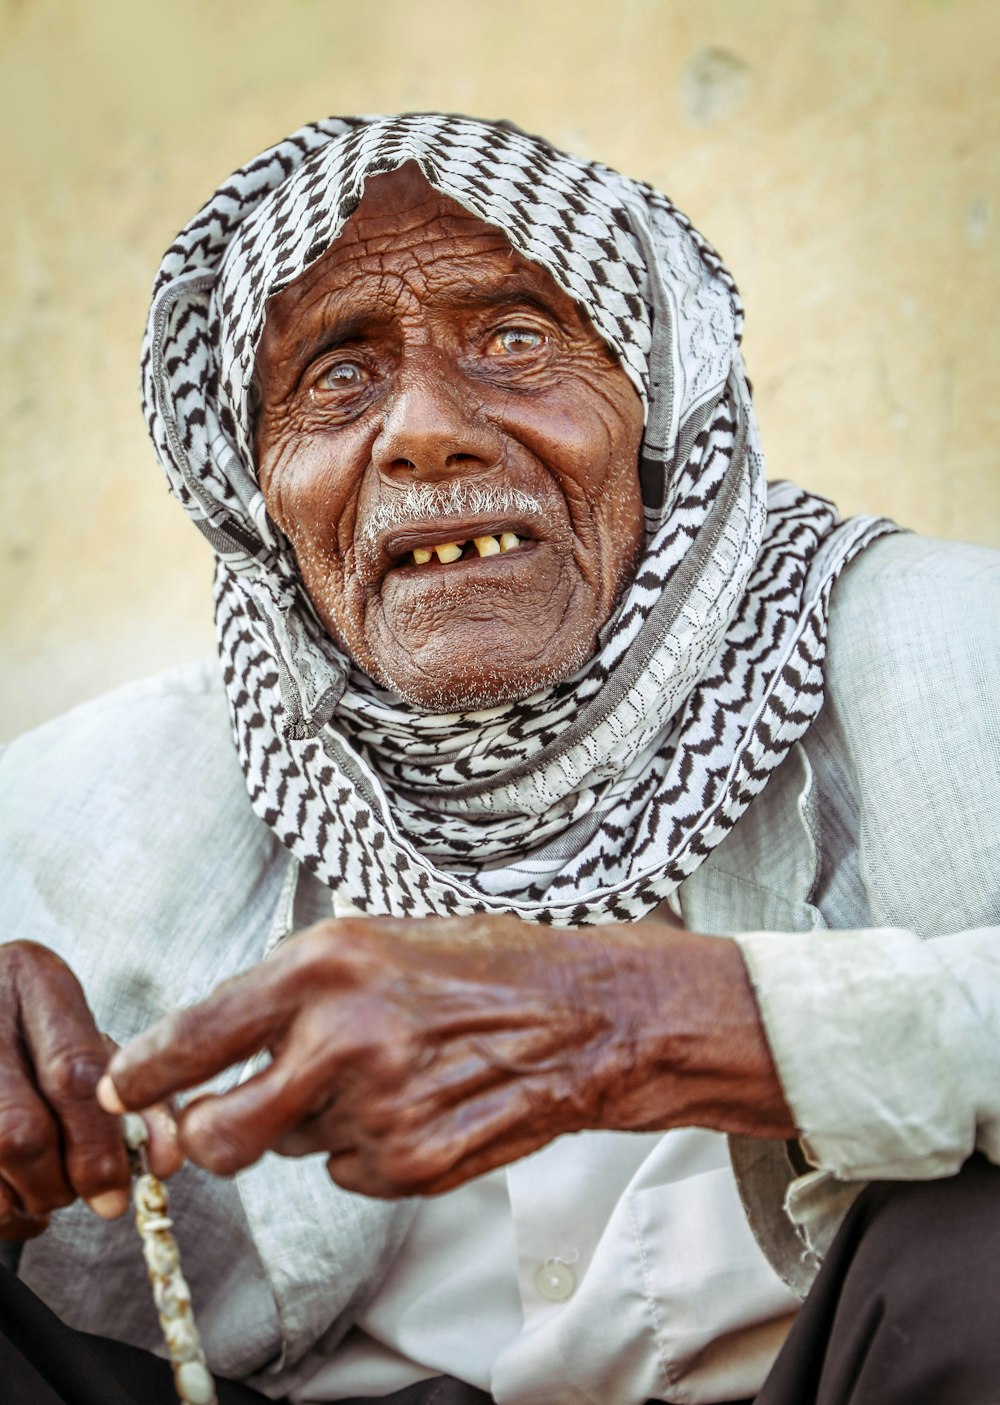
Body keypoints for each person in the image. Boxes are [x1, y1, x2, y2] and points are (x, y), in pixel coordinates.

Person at [1, 113, 998, 1405]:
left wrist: (649, 1021)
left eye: (517, 339)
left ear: (658, 410)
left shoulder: (948, 646)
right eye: (337, 376)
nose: (425, 429)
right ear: (257, 492)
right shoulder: (88, 807)